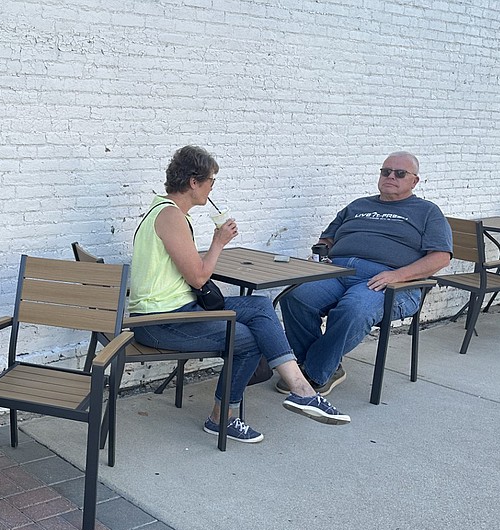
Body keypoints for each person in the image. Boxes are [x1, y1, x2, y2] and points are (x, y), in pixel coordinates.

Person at [128, 145, 349, 444]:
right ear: (194, 182)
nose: (212, 187)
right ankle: (224, 418)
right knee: (249, 338)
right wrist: (219, 242)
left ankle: (301, 390)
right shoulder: (171, 216)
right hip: (160, 322)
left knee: (259, 307)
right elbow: (198, 276)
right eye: (211, 181)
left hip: (175, 311)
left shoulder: (166, 212)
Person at [277, 152, 452, 393]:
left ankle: (314, 372)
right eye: (385, 171)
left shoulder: (427, 212)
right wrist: (321, 257)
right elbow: (327, 238)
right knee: (296, 297)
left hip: (389, 279)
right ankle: (322, 364)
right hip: (337, 270)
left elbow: (441, 256)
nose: (391, 176)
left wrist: (398, 275)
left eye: (400, 173)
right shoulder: (358, 206)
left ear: (414, 181)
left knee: (354, 309)